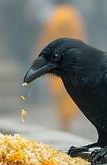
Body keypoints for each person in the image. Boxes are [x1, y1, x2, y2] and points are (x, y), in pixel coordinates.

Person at [35, 1, 86, 131]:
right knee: (67, 90)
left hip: (55, 59)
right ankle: (66, 122)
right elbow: (79, 35)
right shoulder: (73, 15)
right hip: (72, 57)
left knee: (61, 91)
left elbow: (46, 37)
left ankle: (65, 123)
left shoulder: (54, 16)